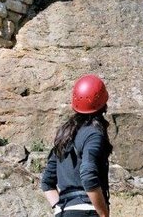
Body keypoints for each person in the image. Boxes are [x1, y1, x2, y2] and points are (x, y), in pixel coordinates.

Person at [41, 74, 113, 217]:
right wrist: (103, 213)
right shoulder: (93, 135)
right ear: (103, 103)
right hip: (86, 211)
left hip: (63, 212)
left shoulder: (65, 135)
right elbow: (88, 175)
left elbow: (47, 182)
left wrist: (60, 208)